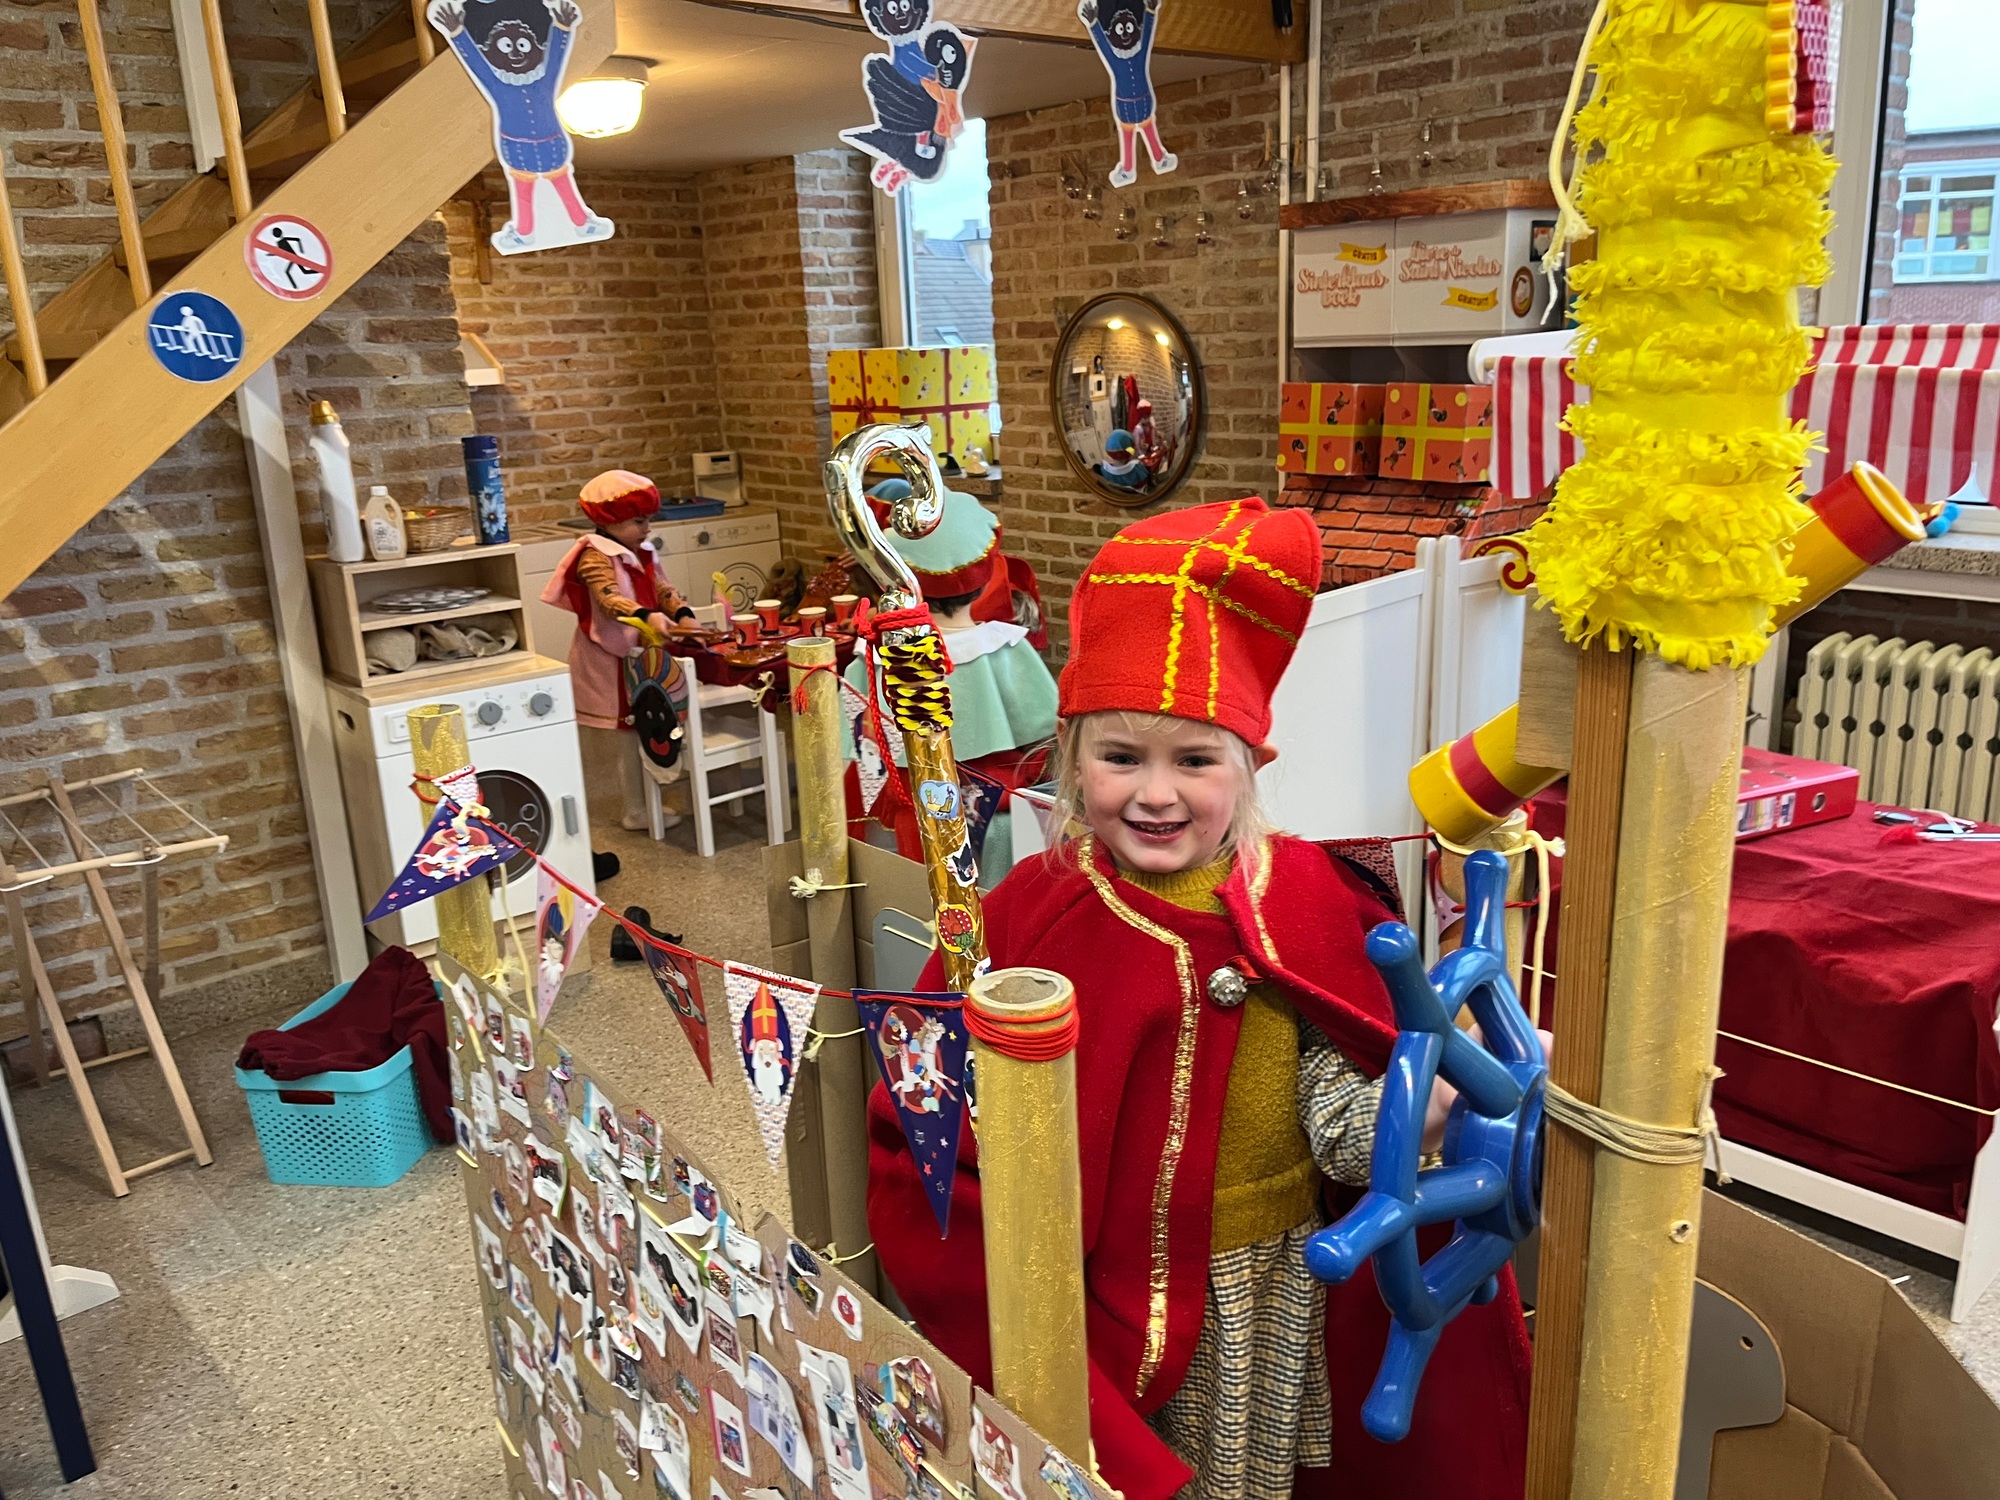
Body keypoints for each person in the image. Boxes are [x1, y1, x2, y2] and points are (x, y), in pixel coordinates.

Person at [867, 499, 1533, 1500]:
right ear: (1069, 758)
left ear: (1250, 766)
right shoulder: (1025, 919)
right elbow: (924, 1132)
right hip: (1112, 1307)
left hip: (1268, 1291)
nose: (1155, 793)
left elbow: (1340, 1116)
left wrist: (1429, 1107)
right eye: (1119, 757)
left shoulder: (1309, 897)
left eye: (1194, 760)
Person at [844, 479, 1057, 885]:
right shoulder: (1006, 648)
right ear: (984, 579)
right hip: (1000, 823)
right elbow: (1044, 738)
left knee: (908, 908)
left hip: (908, 817)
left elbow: (862, 750)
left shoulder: (875, 655)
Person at [539, 471, 695, 831]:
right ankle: (636, 808)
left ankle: (651, 798)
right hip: (608, 658)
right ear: (610, 521)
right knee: (628, 730)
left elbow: (663, 588)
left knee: (647, 724)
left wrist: (682, 613)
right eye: (639, 521)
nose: (647, 528)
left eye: (648, 520)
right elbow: (608, 599)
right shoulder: (594, 556)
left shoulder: (641, 551)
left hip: (641, 653)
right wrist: (646, 615)